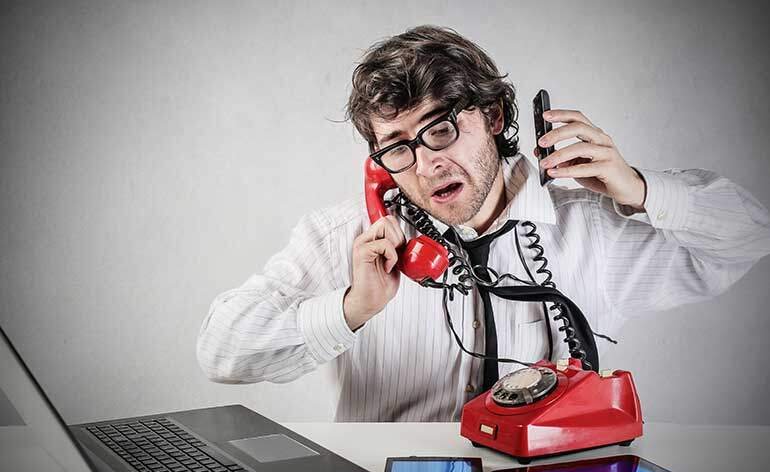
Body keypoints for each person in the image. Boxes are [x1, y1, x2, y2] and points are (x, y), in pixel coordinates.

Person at [196, 25, 770, 422]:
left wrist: (638, 190)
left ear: (493, 116)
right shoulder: (345, 241)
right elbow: (221, 351)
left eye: (441, 128)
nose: (426, 164)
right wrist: (352, 307)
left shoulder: (587, 230)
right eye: (396, 147)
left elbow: (751, 233)